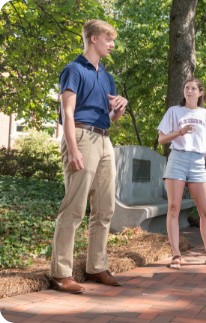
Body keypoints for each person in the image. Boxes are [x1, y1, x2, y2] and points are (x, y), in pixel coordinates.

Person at [50, 20, 128, 293]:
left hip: (105, 140)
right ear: (93, 38)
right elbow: (67, 113)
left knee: (105, 209)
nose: (112, 44)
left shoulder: (106, 76)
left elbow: (111, 118)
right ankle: (60, 273)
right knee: (73, 208)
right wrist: (72, 149)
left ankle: (96, 267)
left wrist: (121, 108)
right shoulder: (73, 70)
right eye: (109, 39)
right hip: (81, 139)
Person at [157, 78, 206, 269]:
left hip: (197, 163)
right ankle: (176, 255)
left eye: (193, 88)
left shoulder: (204, 114)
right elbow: (162, 139)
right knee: (173, 208)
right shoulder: (174, 111)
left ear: (200, 92)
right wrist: (180, 132)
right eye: (186, 88)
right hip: (177, 160)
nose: (189, 91)